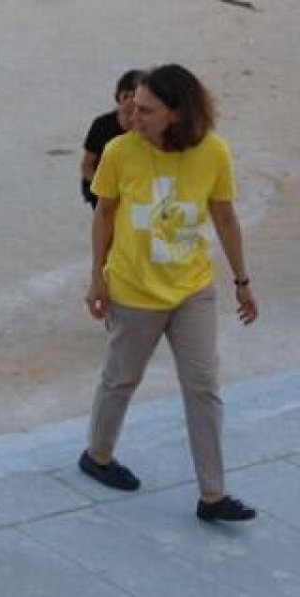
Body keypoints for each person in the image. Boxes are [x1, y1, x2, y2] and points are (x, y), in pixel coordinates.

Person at [80, 64, 259, 523]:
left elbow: (224, 218)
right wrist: (97, 278)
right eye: (132, 105)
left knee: (203, 387)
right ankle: (97, 456)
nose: (131, 114)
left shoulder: (214, 152)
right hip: (134, 291)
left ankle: (213, 495)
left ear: (176, 114)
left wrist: (242, 281)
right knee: (121, 379)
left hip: (192, 290)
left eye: (145, 110)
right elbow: (103, 216)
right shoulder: (119, 151)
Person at [81, 70, 143, 209]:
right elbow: (86, 166)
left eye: (135, 96)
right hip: (104, 191)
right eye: (125, 96)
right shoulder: (102, 125)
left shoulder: (149, 127)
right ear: (118, 98)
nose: (130, 102)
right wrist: (108, 189)